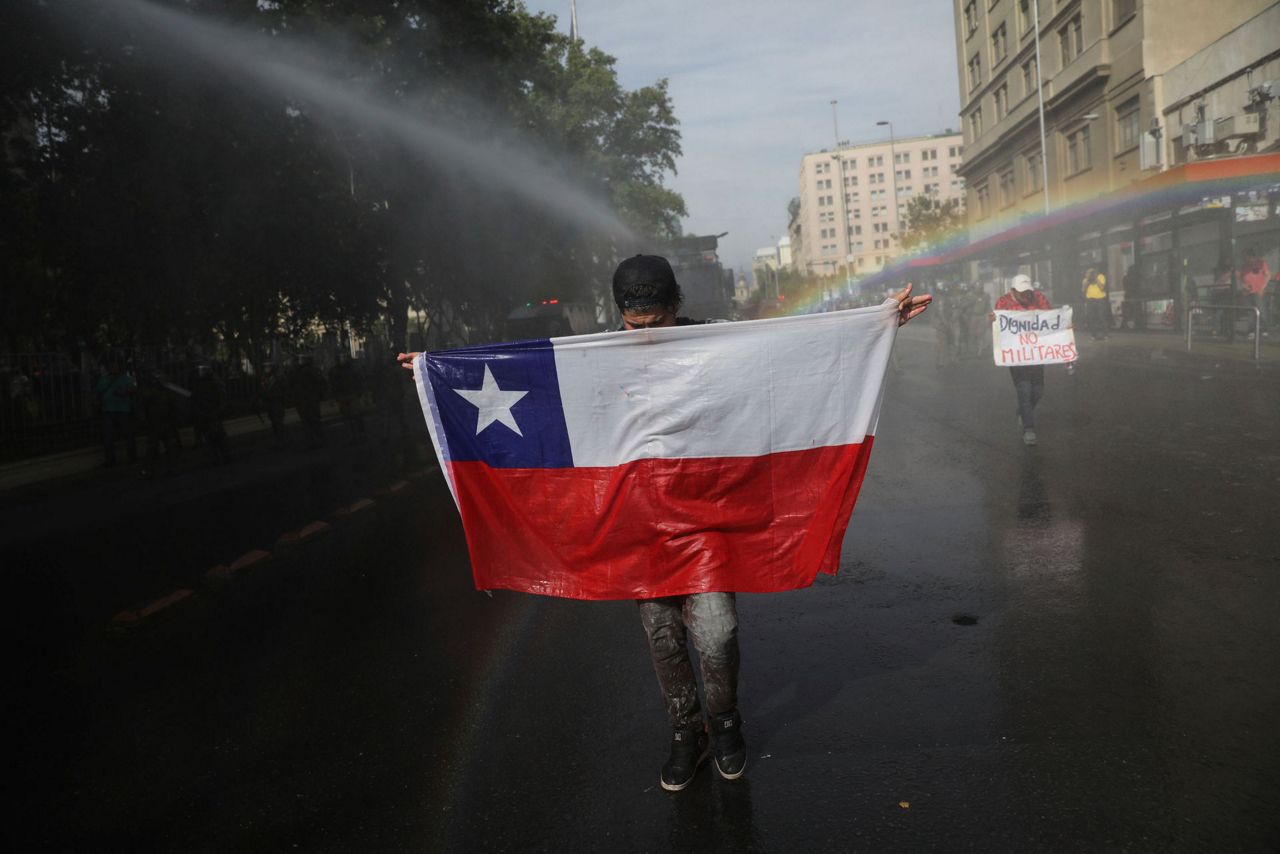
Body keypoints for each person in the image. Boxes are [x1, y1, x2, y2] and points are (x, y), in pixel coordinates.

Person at [396, 254, 930, 792]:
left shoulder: (720, 342)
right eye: (635, 325)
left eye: (656, 323)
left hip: (708, 520)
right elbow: (526, 375)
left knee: (718, 632)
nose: (645, 335)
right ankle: (686, 733)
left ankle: (725, 727)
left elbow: (796, 349)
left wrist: (880, 322)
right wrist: (434, 369)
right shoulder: (599, 355)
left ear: (675, 306)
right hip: (642, 522)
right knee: (663, 636)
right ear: (621, 314)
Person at [990, 274, 1052, 447]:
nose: (1026, 295)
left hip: (1036, 353)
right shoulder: (1003, 302)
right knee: (1024, 390)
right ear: (1013, 291)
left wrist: (1064, 326)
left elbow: (1051, 319)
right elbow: (998, 326)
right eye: (1022, 292)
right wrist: (993, 321)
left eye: (1028, 292)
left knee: (1038, 391)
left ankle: (1023, 413)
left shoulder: (1039, 298)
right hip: (1017, 356)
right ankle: (1029, 429)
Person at [95, 355, 137, 467]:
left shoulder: (125, 378)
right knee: (108, 436)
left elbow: (133, 389)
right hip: (108, 410)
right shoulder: (104, 379)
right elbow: (98, 393)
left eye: (115, 366)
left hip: (122, 410)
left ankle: (132, 457)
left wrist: (124, 392)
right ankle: (110, 459)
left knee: (127, 434)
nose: (113, 368)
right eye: (111, 367)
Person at [1082, 268, 1109, 341]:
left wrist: (1096, 278)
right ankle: (1093, 335)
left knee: (1102, 317)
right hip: (1090, 300)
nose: (1090, 274)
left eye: (1092, 273)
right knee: (1091, 318)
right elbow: (1083, 290)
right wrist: (1087, 280)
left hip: (1100, 299)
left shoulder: (1101, 277)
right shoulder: (1085, 280)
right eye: (1089, 273)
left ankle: (1105, 334)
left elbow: (1102, 288)